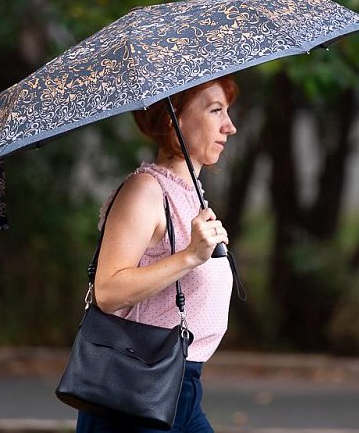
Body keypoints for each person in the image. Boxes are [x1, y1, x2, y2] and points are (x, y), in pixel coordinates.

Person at [75, 76, 238, 433]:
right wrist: (190, 257)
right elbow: (107, 291)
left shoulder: (189, 195)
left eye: (227, 111)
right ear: (173, 119)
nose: (230, 126)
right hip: (136, 393)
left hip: (182, 389)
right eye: (215, 111)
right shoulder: (145, 191)